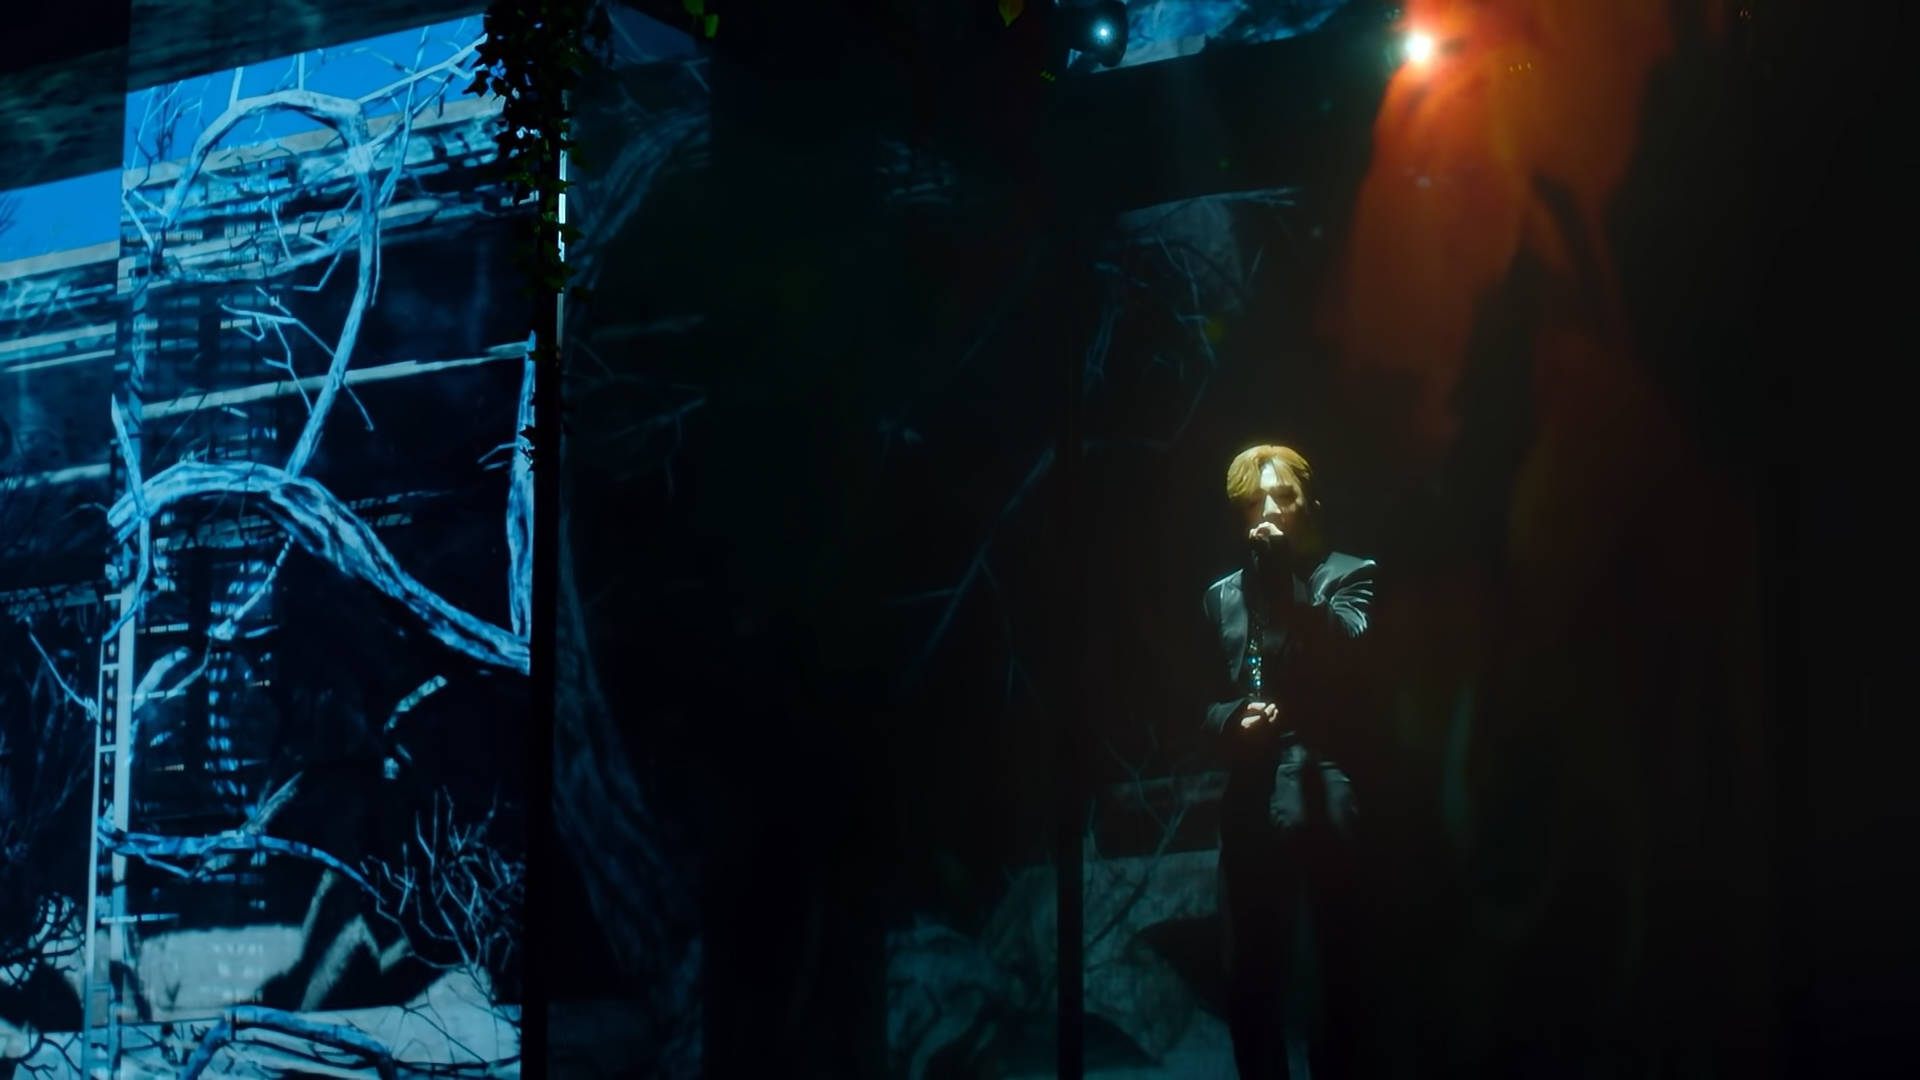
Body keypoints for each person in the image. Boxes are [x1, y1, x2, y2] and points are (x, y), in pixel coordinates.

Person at [1201, 445, 1374, 1079]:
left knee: (1331, 974)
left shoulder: (1350, 575)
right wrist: (1230, 720)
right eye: (1254, 501)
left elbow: (1345, 649)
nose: (1269, 510)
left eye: (1283, 497)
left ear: (1311, 506)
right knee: (1246, 977)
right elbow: (1197, 698)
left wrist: (1284, 588)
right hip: (1249, 791)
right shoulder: (1220, 597)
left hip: (1323, 787)